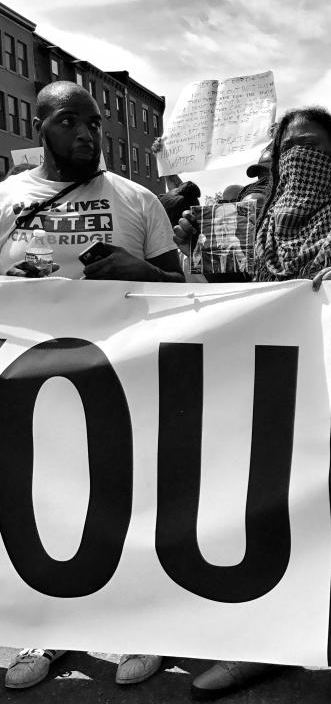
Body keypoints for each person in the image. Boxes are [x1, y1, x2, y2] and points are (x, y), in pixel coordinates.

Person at [180, 105, 331, 704]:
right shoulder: (255, 221)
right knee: (262, 524)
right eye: (289, 148)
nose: (300, 159)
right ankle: (257, 649)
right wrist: (189, 248)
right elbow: (217, 298)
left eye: (314, 146)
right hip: (271, 402)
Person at [0, 81, 182, 690]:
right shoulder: (6, 201)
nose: (86, 133)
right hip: (32, 392)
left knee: (130, 504)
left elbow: (185, 291)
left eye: (94, 123)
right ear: (40, 128)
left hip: (125, 385)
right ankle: (48, 631)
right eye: (69, 121)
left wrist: (141, 271)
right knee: (47, 510)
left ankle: (138, 626)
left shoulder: (137, 201)